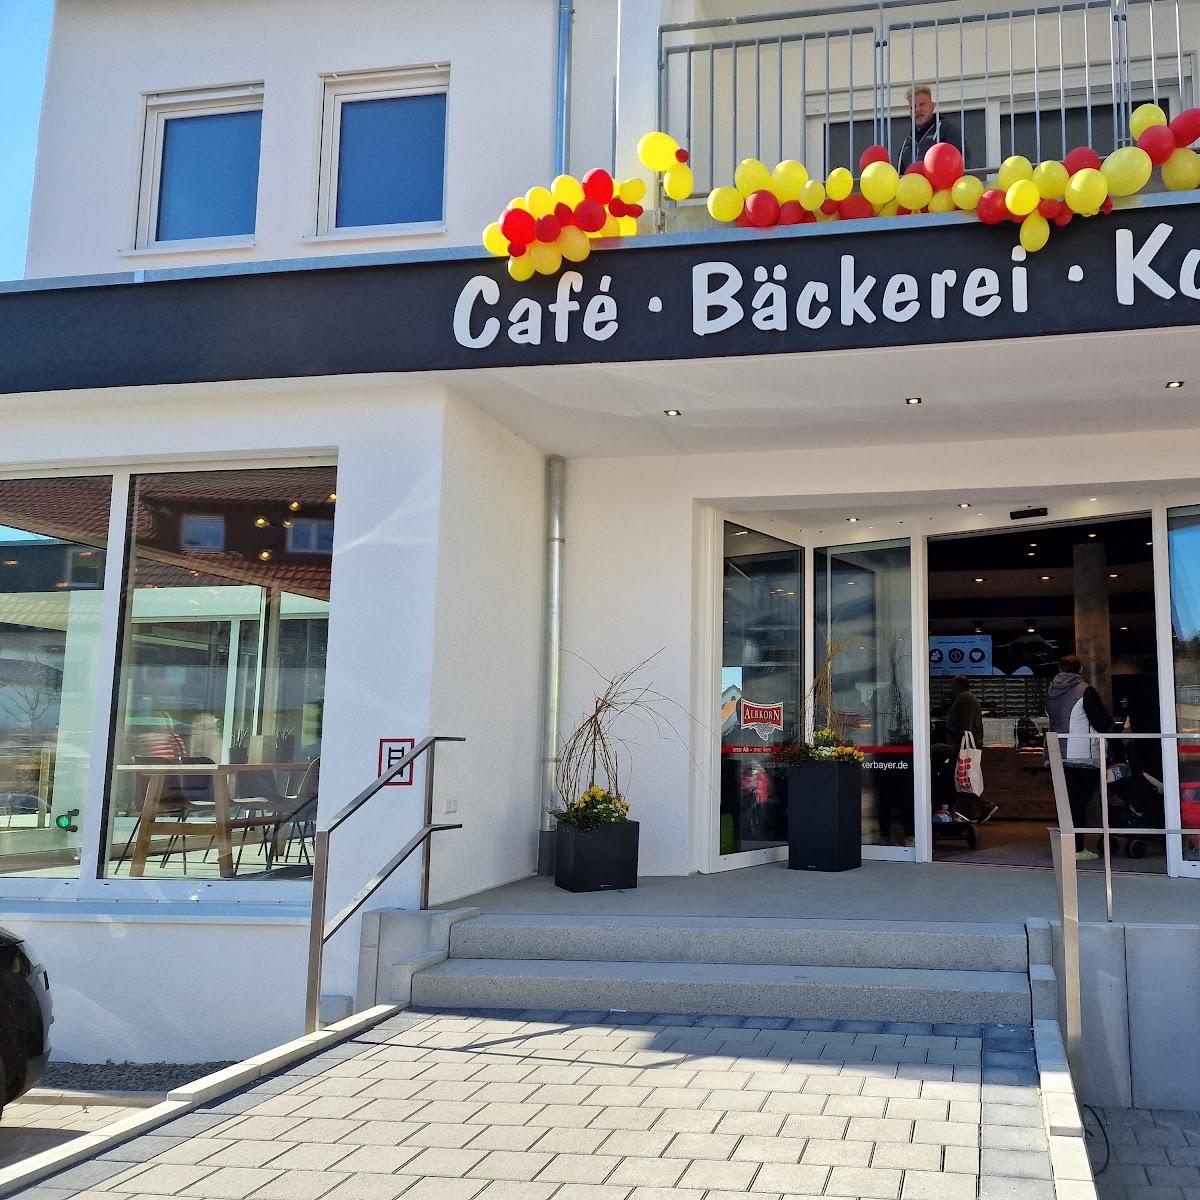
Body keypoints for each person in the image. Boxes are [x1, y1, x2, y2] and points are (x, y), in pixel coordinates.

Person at [1046, 653, 1115, 861]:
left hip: (1057, 754)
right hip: (1081, 756)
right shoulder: (1085, 690)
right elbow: (1102, 721)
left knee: (1065, 804)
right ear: (1080, 670)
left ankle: (1066, 846)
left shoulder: (1051, 693)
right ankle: (1076, 849)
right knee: (1079, 803)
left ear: (1059, 668)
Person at [945, 675, 995, 823]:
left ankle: (981, 806)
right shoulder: (968, 698)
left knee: (964, 778)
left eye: (953, 685)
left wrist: (961, 743)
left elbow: (966, 726)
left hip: (963, 747)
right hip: (966, 746)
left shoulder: (965, 698)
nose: (951, 689)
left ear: (959, 686)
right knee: (966, 778)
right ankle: (974, 810)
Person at [896, 85, 969, 172]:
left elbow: (964, 165)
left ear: (932, 106)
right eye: (913, 107)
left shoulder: (948, 131)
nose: (917, 110)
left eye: (922, 104)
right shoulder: (907, 144)